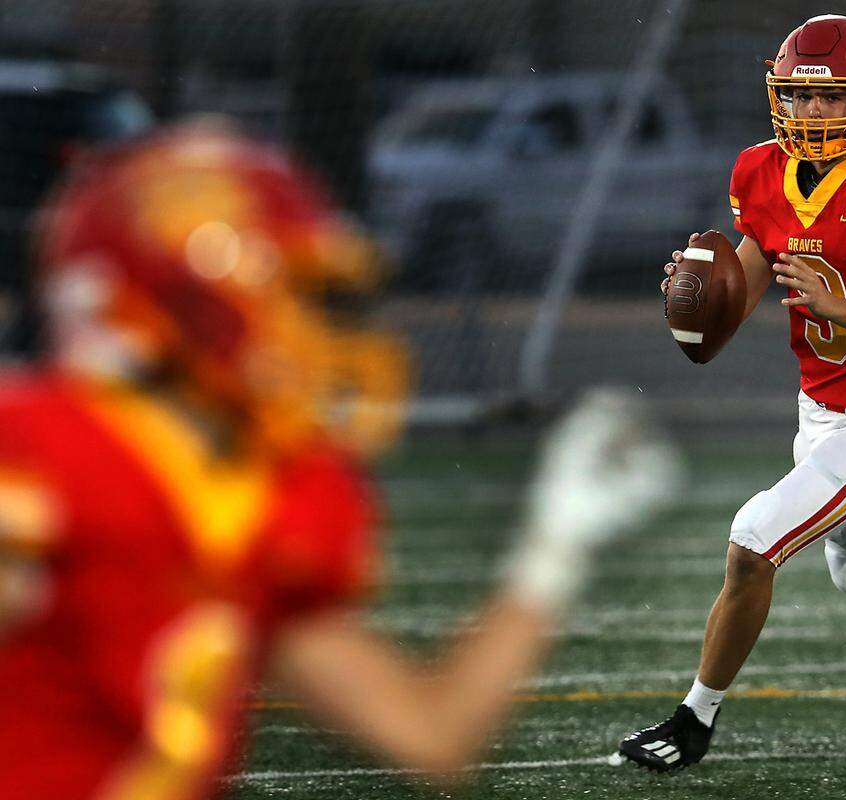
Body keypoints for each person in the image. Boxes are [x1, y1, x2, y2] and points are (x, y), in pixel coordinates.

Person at [0, 121, 678, 799]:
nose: (305, 330)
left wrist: (553, 547)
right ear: (171, 304)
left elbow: (430, 735)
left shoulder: (264, 499)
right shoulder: (46, 448)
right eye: (280, 294)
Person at [619, 14, 846, 773]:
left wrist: (838, 305)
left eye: (832, 98)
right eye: (799, 97)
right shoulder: (760, 171)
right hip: (817, 413)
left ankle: (693, 720)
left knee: (755, 540)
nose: (813, 113)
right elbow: (740, 295)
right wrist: (699, 300)